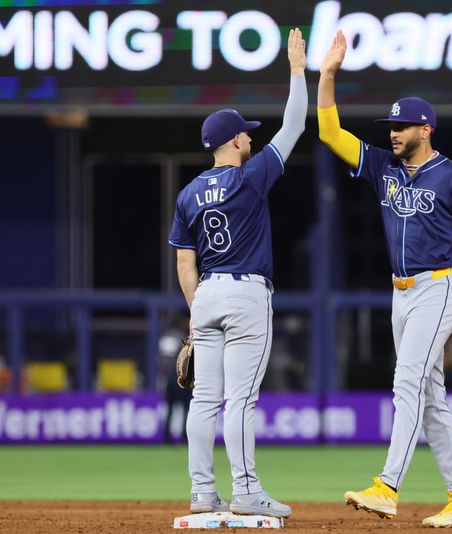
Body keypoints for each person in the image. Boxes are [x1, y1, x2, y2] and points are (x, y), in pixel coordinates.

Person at [317, 31, 452, 528]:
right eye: (391, 125)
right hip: (400, 293)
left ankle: (388, 486)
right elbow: (330, 134)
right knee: (430, 399)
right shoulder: (385, 167)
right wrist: (326, 75)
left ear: (426, 129)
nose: (393, 132)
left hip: (439, 286)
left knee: (405, 381)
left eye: (402, 126)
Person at [167, 29, 307, 518]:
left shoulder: (187, 194)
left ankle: (202, 493)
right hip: (246, 293)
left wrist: (194, 313)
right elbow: (293, 126)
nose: (251, 135)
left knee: (204, 401)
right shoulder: (251, 177)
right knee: (240, 401)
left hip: (205, 293)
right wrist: (296, 72)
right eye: (246, 131)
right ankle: (246, 491)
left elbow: (185, 262)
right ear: (232, 140)